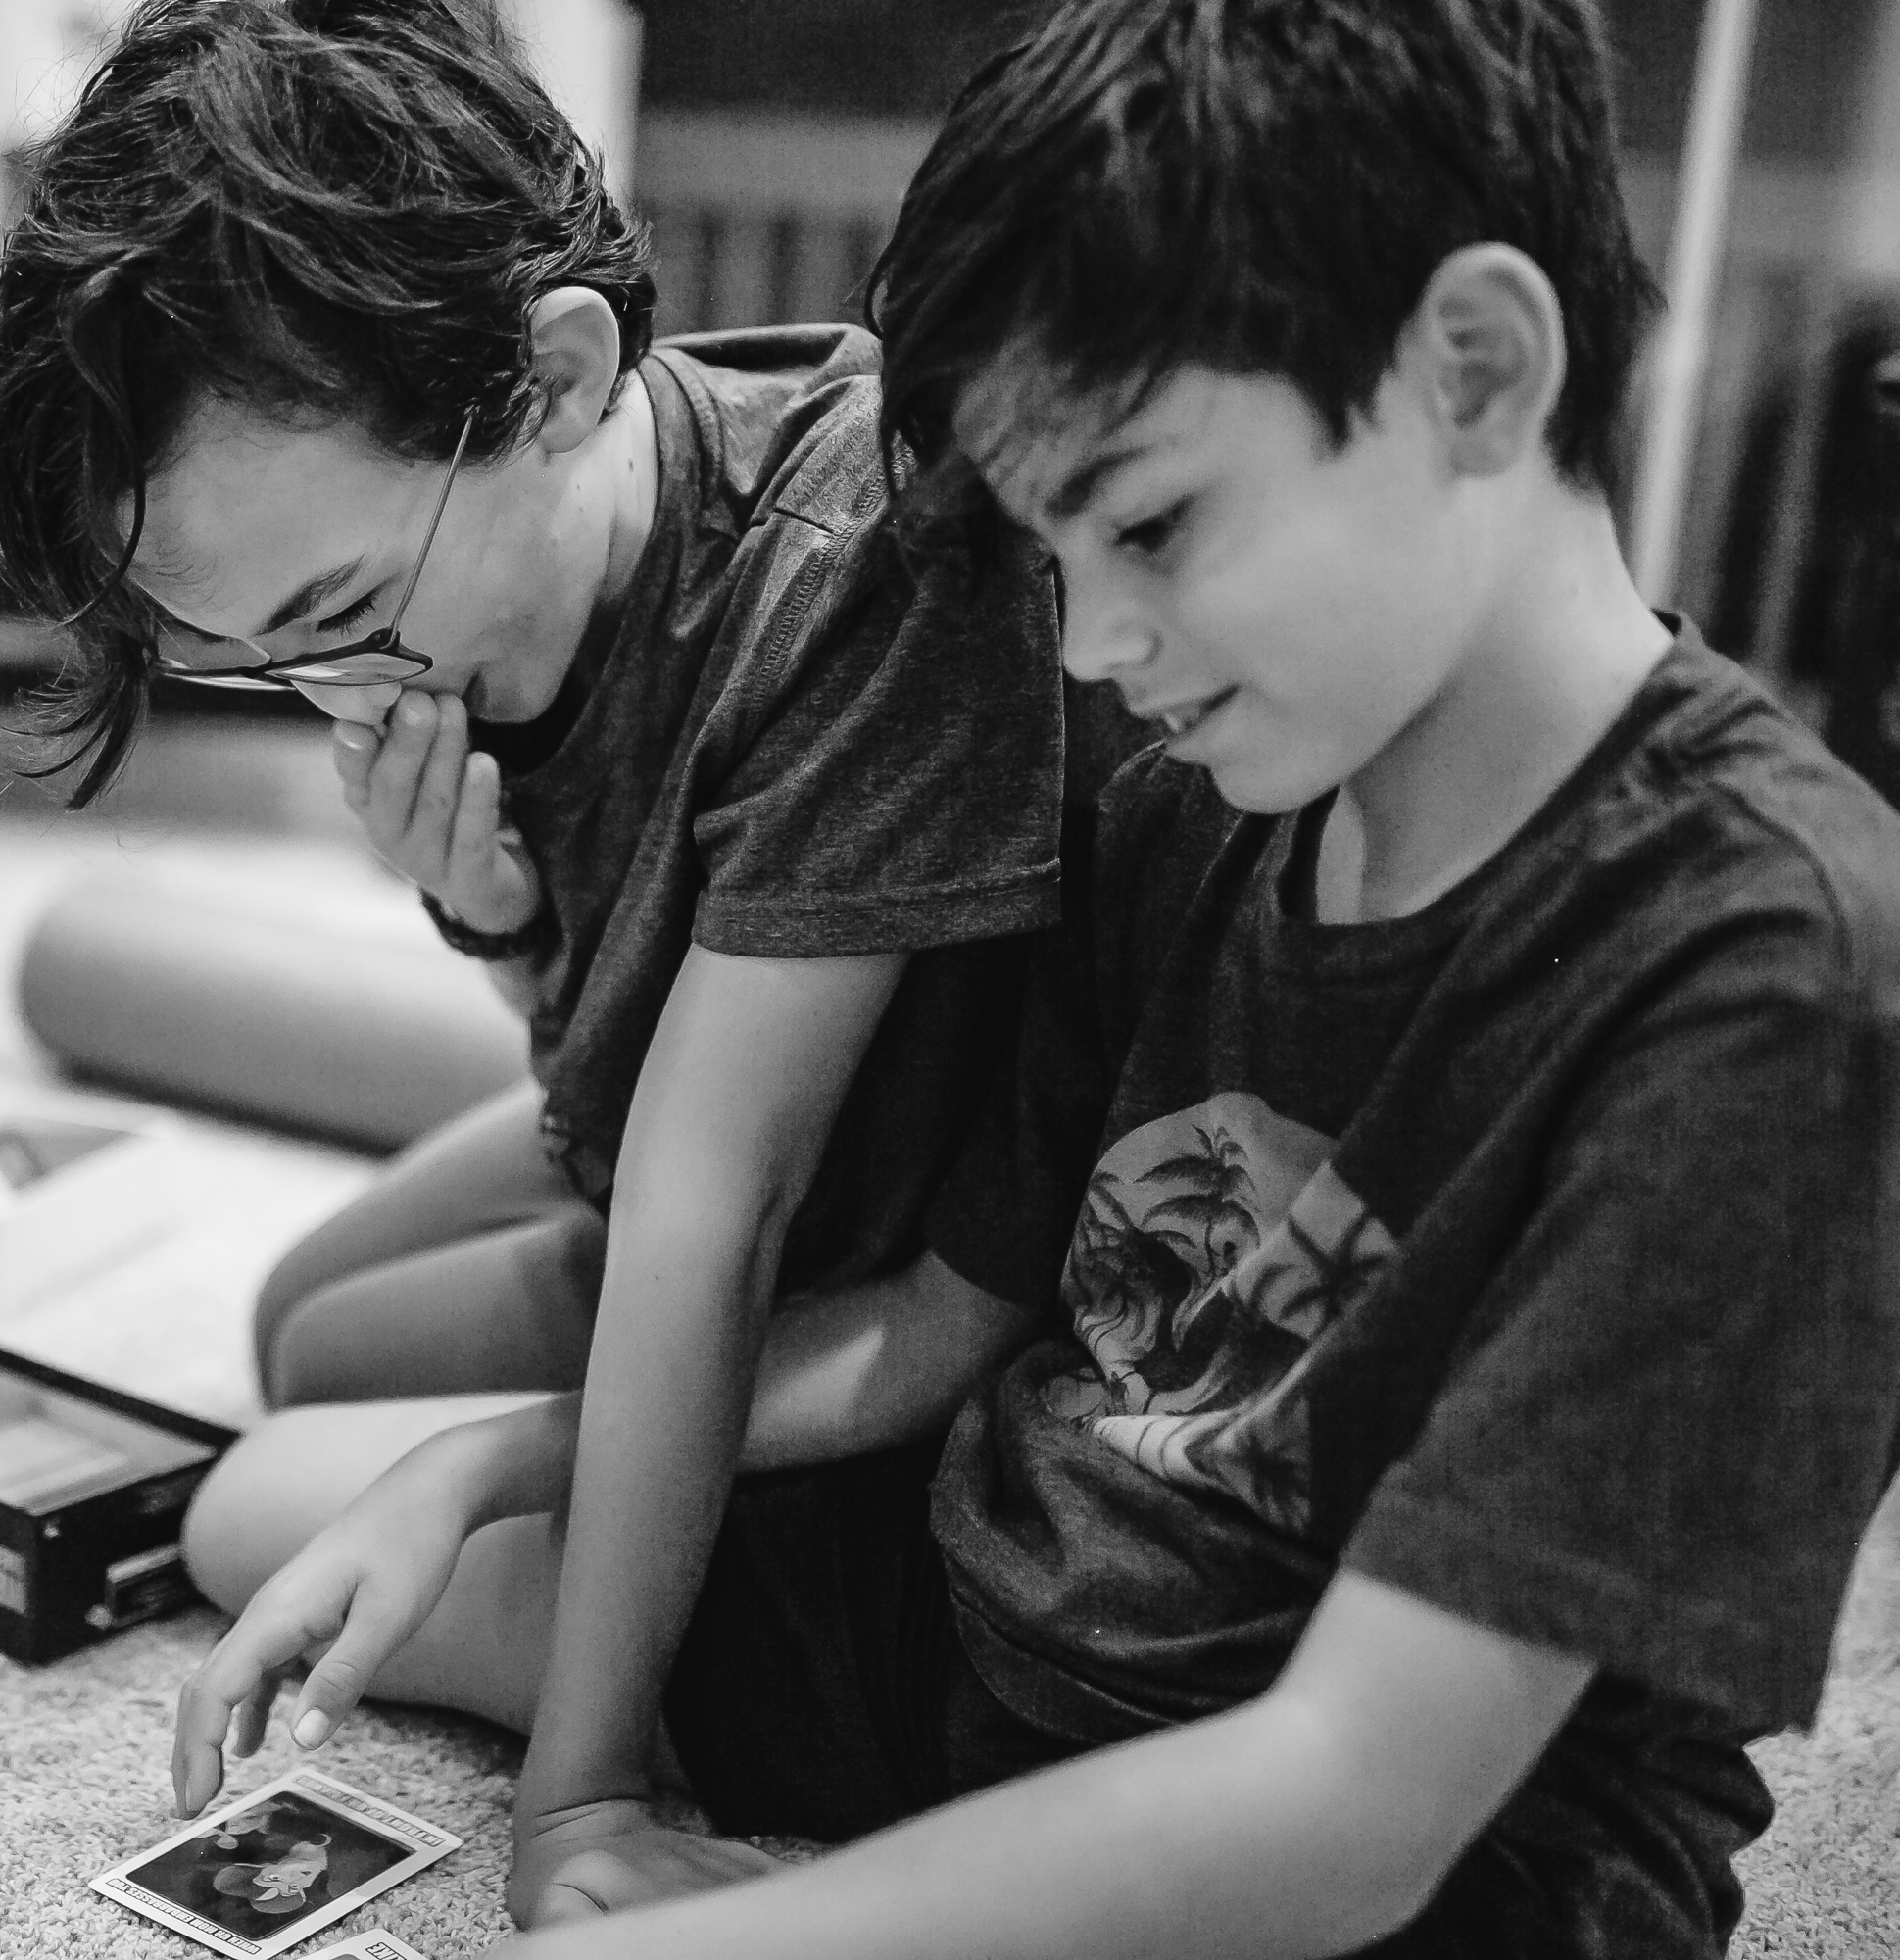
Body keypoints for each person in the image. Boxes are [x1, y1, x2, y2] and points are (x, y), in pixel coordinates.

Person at [168, 2, 1900, 1953]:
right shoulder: (1201, 803)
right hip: (971, 1618)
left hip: (1390, 1873)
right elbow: (931, 1331)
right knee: (282, 1505)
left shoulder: (1777, 967)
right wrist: (487, 1455)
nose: (1087, 647)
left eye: (1151, 521)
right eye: (1055, 553)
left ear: (1478, 368)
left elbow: (1346, 1815)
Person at [0, 0, 1086, 1416]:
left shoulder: (839, 562)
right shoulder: (498, 553)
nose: (333, 691)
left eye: (336, 613)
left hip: (860, 1216)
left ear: (554, 379)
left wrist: (512, 1507)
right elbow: (600, 1060)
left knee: (309, 1402)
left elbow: (725, 1208)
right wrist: (499, 913)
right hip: (656, 1114)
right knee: (290, 1321)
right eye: (249, 653)